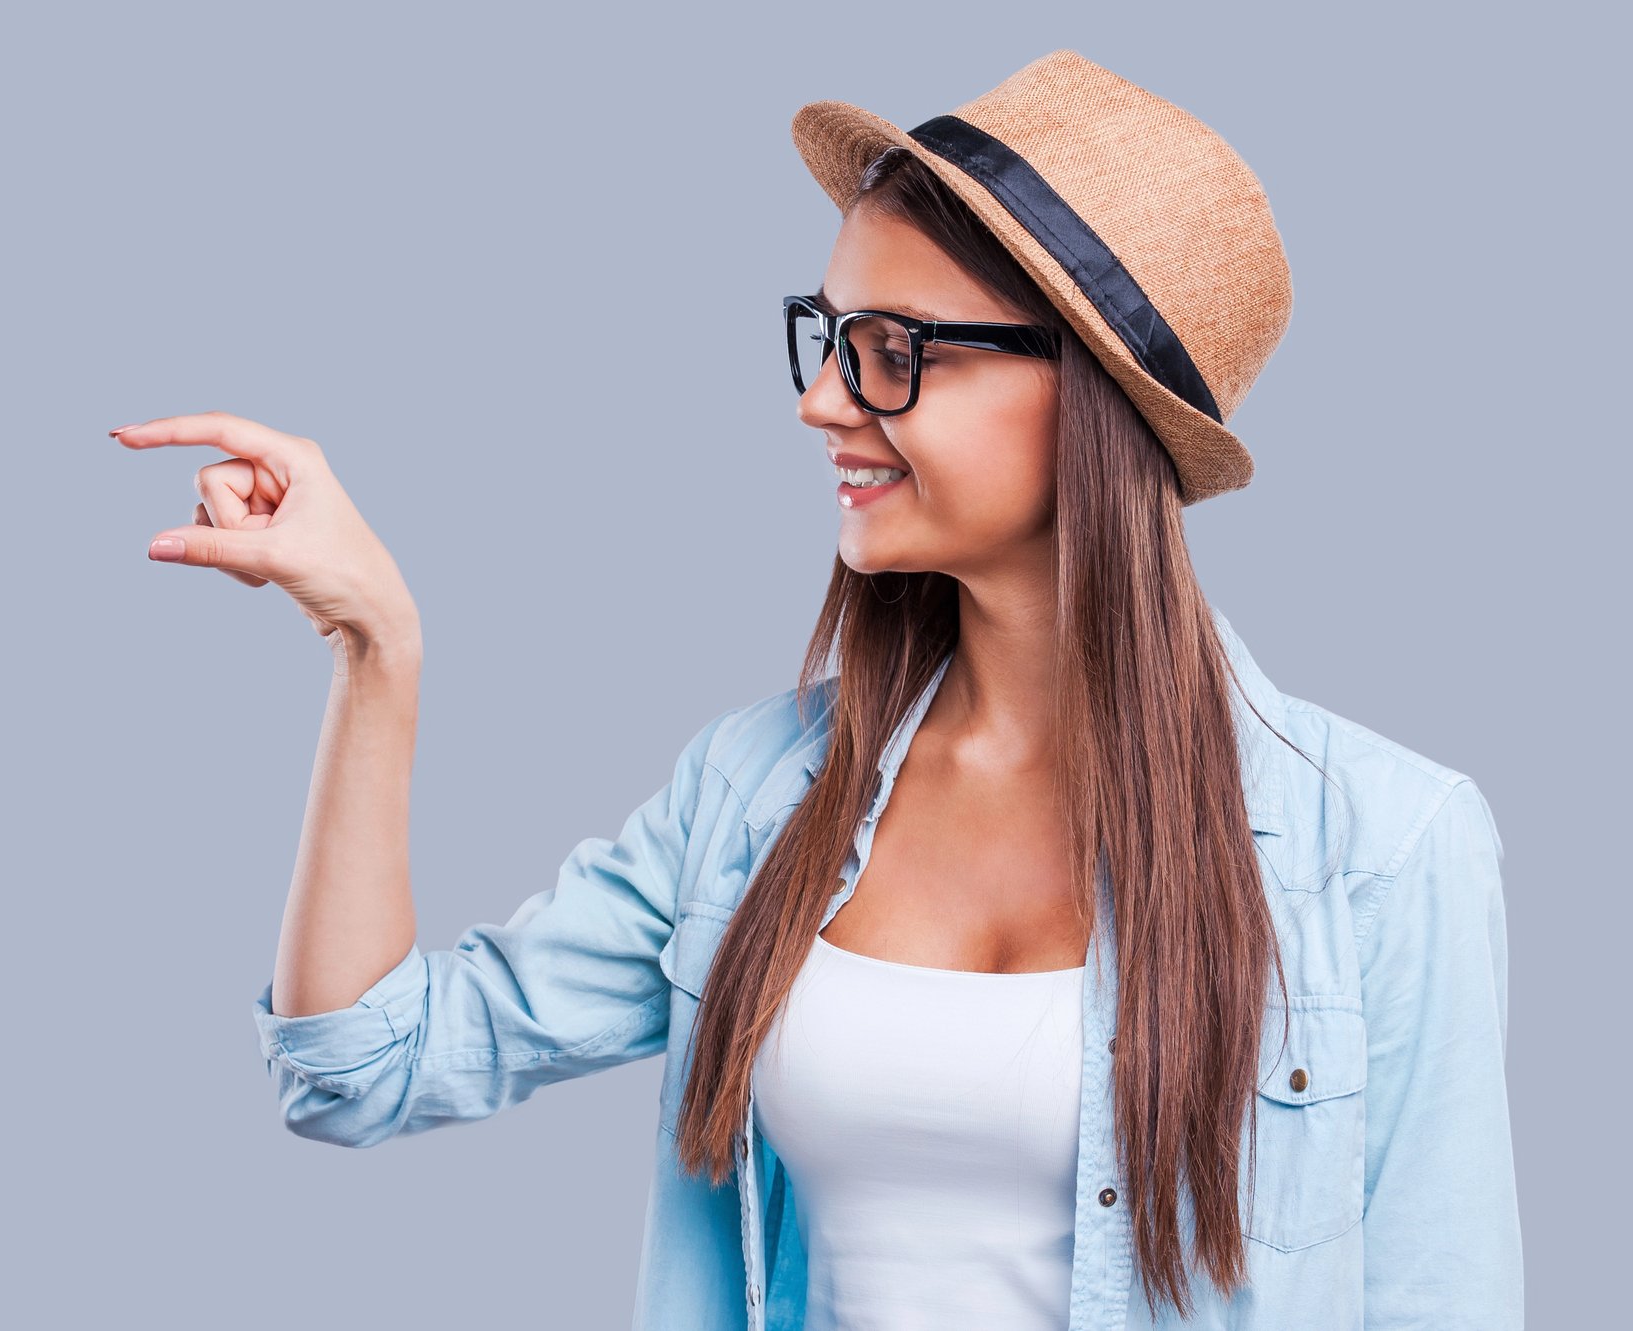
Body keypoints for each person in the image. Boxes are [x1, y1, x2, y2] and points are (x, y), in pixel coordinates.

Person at [115, 50, 1521, 1331]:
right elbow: (363, 1068)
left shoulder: (1385, 852)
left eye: (894, 351)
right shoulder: (755, 798)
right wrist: (376, 649)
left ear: (1088, 398)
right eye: (827, 332)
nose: (823, 401)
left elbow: (1440, 1301)